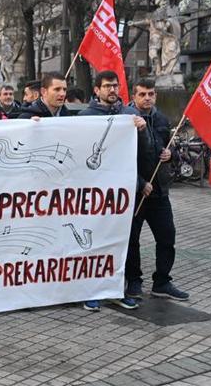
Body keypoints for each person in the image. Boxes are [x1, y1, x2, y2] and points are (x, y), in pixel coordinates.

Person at [79, 70, 148, 312]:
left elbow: (142, 154)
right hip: (95, 194)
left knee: (121, 242)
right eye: (107, 86)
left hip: (121, 194)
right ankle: (90, 290)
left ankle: (117, 289)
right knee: (93, 242)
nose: (112, 90)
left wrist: (142, 129)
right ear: (96, 90)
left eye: (115, 86)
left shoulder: (130, 114)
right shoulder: (85, 116)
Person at [126, 79, 188, 301]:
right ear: (134, 96)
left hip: (160, 191)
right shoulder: (127, 119)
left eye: (151, 94)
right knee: (132, 240)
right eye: (142, 94)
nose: (147, 98)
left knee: (167, 236)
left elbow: (170, 145)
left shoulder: (161, 118)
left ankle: (162, 281)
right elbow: (120, 160)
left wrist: (171, 154)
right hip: (136, 193)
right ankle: (133, 281)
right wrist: (140, 183)